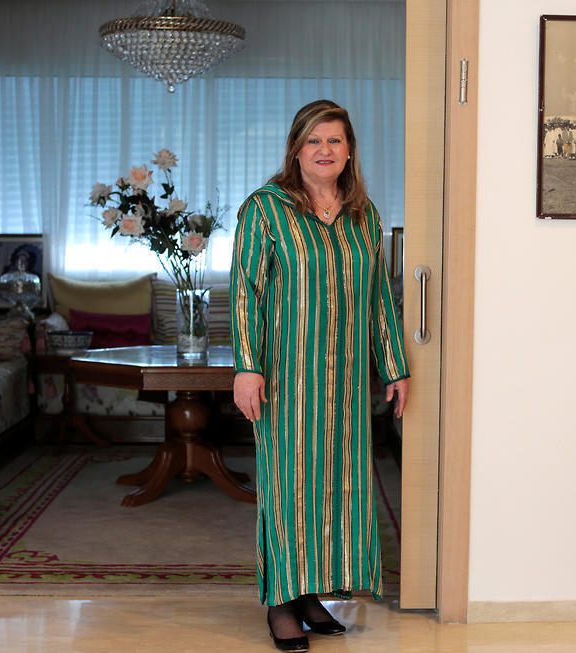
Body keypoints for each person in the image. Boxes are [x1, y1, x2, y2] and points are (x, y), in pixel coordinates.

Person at [230, 99, 410, 653]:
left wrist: (395, 366)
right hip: (288, 381)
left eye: (334, 141)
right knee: (289, 489)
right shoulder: (266, 209)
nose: (325, 151)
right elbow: (247, 291)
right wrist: (247, 366)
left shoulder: (365, 214)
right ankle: (281, 605)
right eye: (314, 141)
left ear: (349, 149)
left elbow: (380, 297)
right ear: (296, 150)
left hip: (349, 383)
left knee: (336, 490)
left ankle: (314, 595)